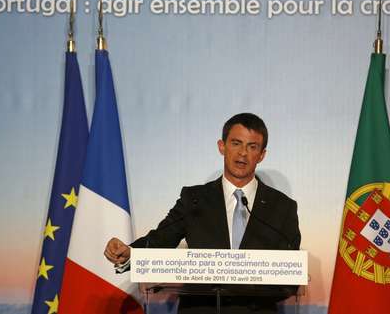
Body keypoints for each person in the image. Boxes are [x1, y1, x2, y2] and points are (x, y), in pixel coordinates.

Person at [104, 113, 301, 314]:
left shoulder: (282, 206)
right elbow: (162, 238)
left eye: (252, 147)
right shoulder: (194, 199)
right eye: (236, 143)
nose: (243, 153)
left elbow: (291, 274)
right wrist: (131, 253)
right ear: (221, 146)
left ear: (261, 155)